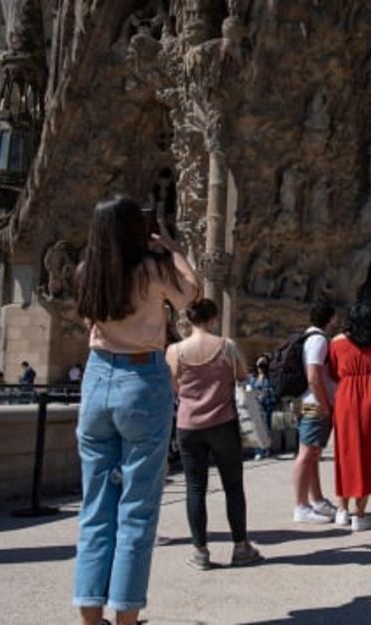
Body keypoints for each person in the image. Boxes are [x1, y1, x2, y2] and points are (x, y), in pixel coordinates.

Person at [72, 196, 199, 625]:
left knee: (95, 508)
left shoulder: (86, 272)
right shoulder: (151, 270)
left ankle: (91, 619)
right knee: (137, 509)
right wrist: (174, 249)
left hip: (96, 379)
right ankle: (125, 618)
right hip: (141, 379)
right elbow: (192, 296)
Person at [167, 298, 262, 571]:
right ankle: (241, 547)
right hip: (223, 423)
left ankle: (200, 551)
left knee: (195, 488)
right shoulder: (226, 346)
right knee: (233, 487)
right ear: (213, 319)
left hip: (189, 426)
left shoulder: (175, 350)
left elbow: (173, 387)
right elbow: (244, 376)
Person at [328, 302, 371, 531]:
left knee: (345, 451)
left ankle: (341, 509)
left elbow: (333, 371)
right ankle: (359, 513)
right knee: (369, 453)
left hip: (346, 396)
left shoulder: (336, 343)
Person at [292, 301, 340, 525]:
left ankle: (317, 499)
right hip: (314, 403)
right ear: (330, 319)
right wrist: (324, 404)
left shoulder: (307, 338)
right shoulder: (319, 340)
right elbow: (313, 375)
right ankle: (301, 506)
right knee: (306, 454)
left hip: (306, 402)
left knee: (313, 454)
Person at [247, 354, 276, 461]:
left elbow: (273, 390)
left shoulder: (270, 378)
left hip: (266, 405)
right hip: (255, 406)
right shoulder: (252, 378)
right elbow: (248, 389)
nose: (261, 367)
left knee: (265, 428)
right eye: (259, 364)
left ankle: (265, 449)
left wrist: (265, 392)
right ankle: (258, 451)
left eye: (263, 364)